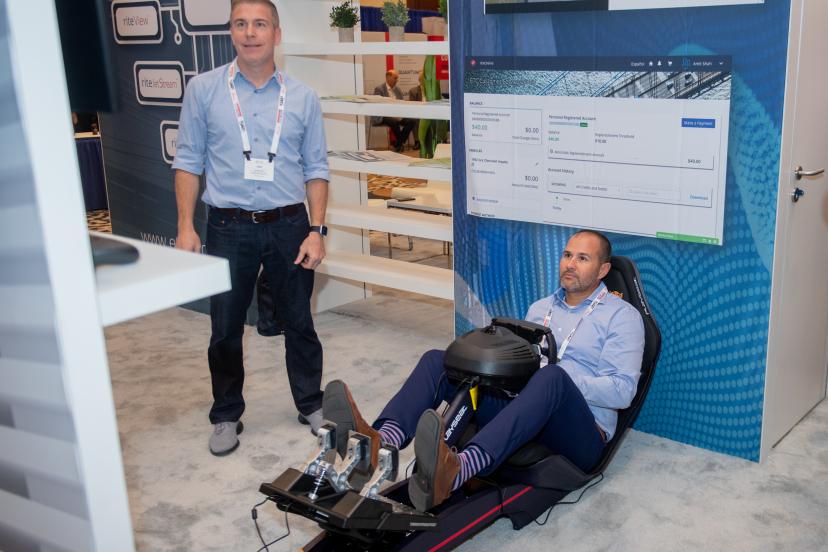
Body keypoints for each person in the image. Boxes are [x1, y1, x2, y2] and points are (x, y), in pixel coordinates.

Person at [323, 230, 645, 511]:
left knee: (552, 376)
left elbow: (622, 392)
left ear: (603, 269)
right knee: (438, 361)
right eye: (567, 255)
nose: (570, 264)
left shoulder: (621, 317)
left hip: (582, 430)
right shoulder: (540, 308)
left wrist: (559, 379)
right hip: (528, 408)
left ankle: (459, 470)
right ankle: (379, 444)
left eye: (582, 258)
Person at [172, 0, 329, 456]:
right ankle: (226, 414)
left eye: (260, 24)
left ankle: (311, 402)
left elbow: (316, 168)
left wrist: (316, 230)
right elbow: (187, 162)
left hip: (289, 225)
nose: (250, 32)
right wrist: (185, 226)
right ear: (231, 32)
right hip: (228, 226)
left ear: (276, 34)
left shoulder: (303, 97)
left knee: (299, 321)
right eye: (240, 24)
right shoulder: (203, 90)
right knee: (224, 327)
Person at [372, 69, 416, 152]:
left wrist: (400, 113)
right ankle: (399, 144)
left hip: (397, 114)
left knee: (412, 121)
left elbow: (402, 103)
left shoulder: (397, 89)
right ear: (388, 77)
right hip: (384, 115)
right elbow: (378, 106)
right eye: (395, 78)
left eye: (397, 78)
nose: (397, 80)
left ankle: (398, 144)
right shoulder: (379, 89)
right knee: (394, 122)